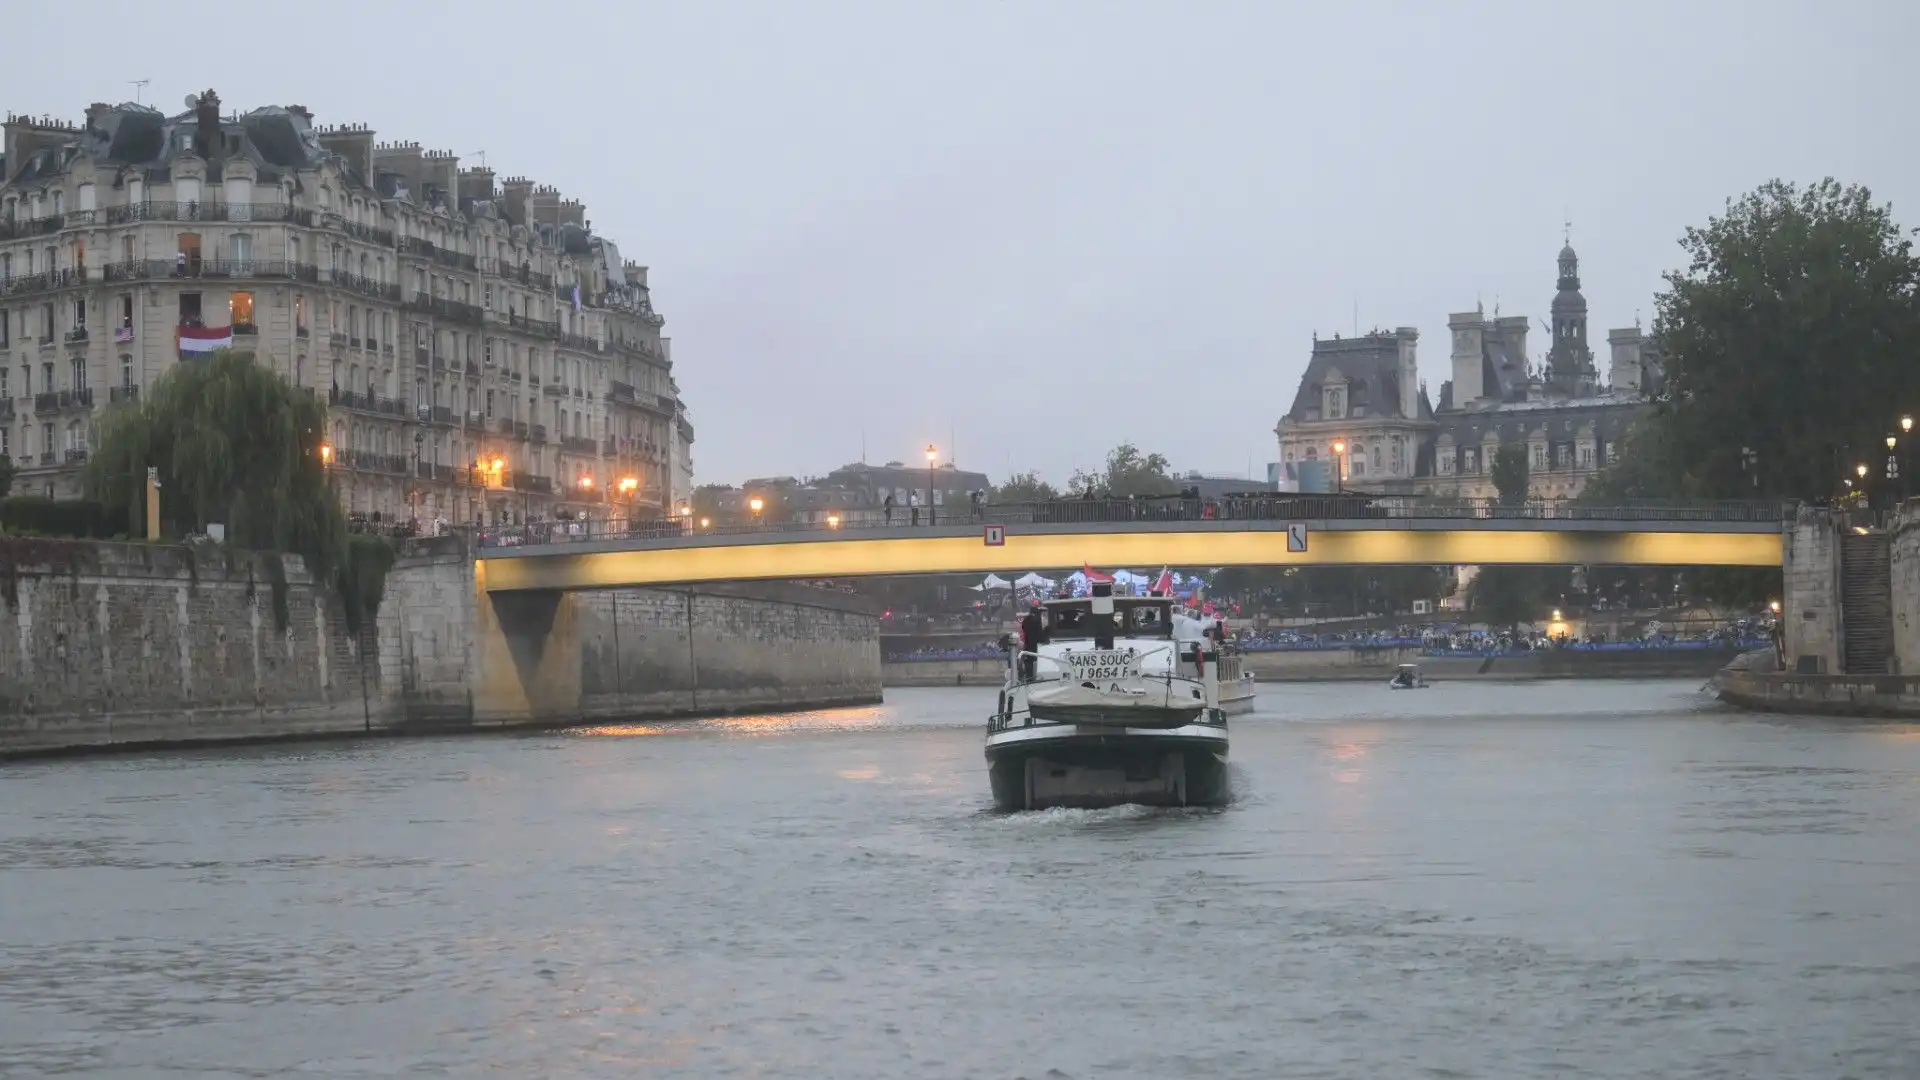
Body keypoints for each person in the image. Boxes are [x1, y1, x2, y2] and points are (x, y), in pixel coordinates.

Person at [1018, 604, 1044, 681]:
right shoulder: (1037, 620)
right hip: (1036, 645)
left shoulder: (1026, 621)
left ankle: (1029, 678)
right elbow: (1039, 632)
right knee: (1036, 661)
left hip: (1028, 644)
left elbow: (1024, 628)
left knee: (1028, 663)